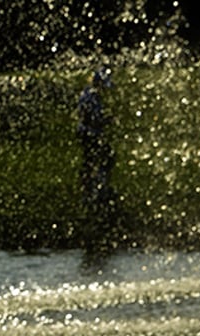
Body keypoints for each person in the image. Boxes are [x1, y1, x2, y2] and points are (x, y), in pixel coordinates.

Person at [77, 66, 121, 267]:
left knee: (100, 162)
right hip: (90, 137)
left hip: (90, 137)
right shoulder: (90, 96)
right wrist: (108, 120)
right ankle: (97, 198)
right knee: (98, 163)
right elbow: (92, 119)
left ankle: (97, 195)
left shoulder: (89, 95)